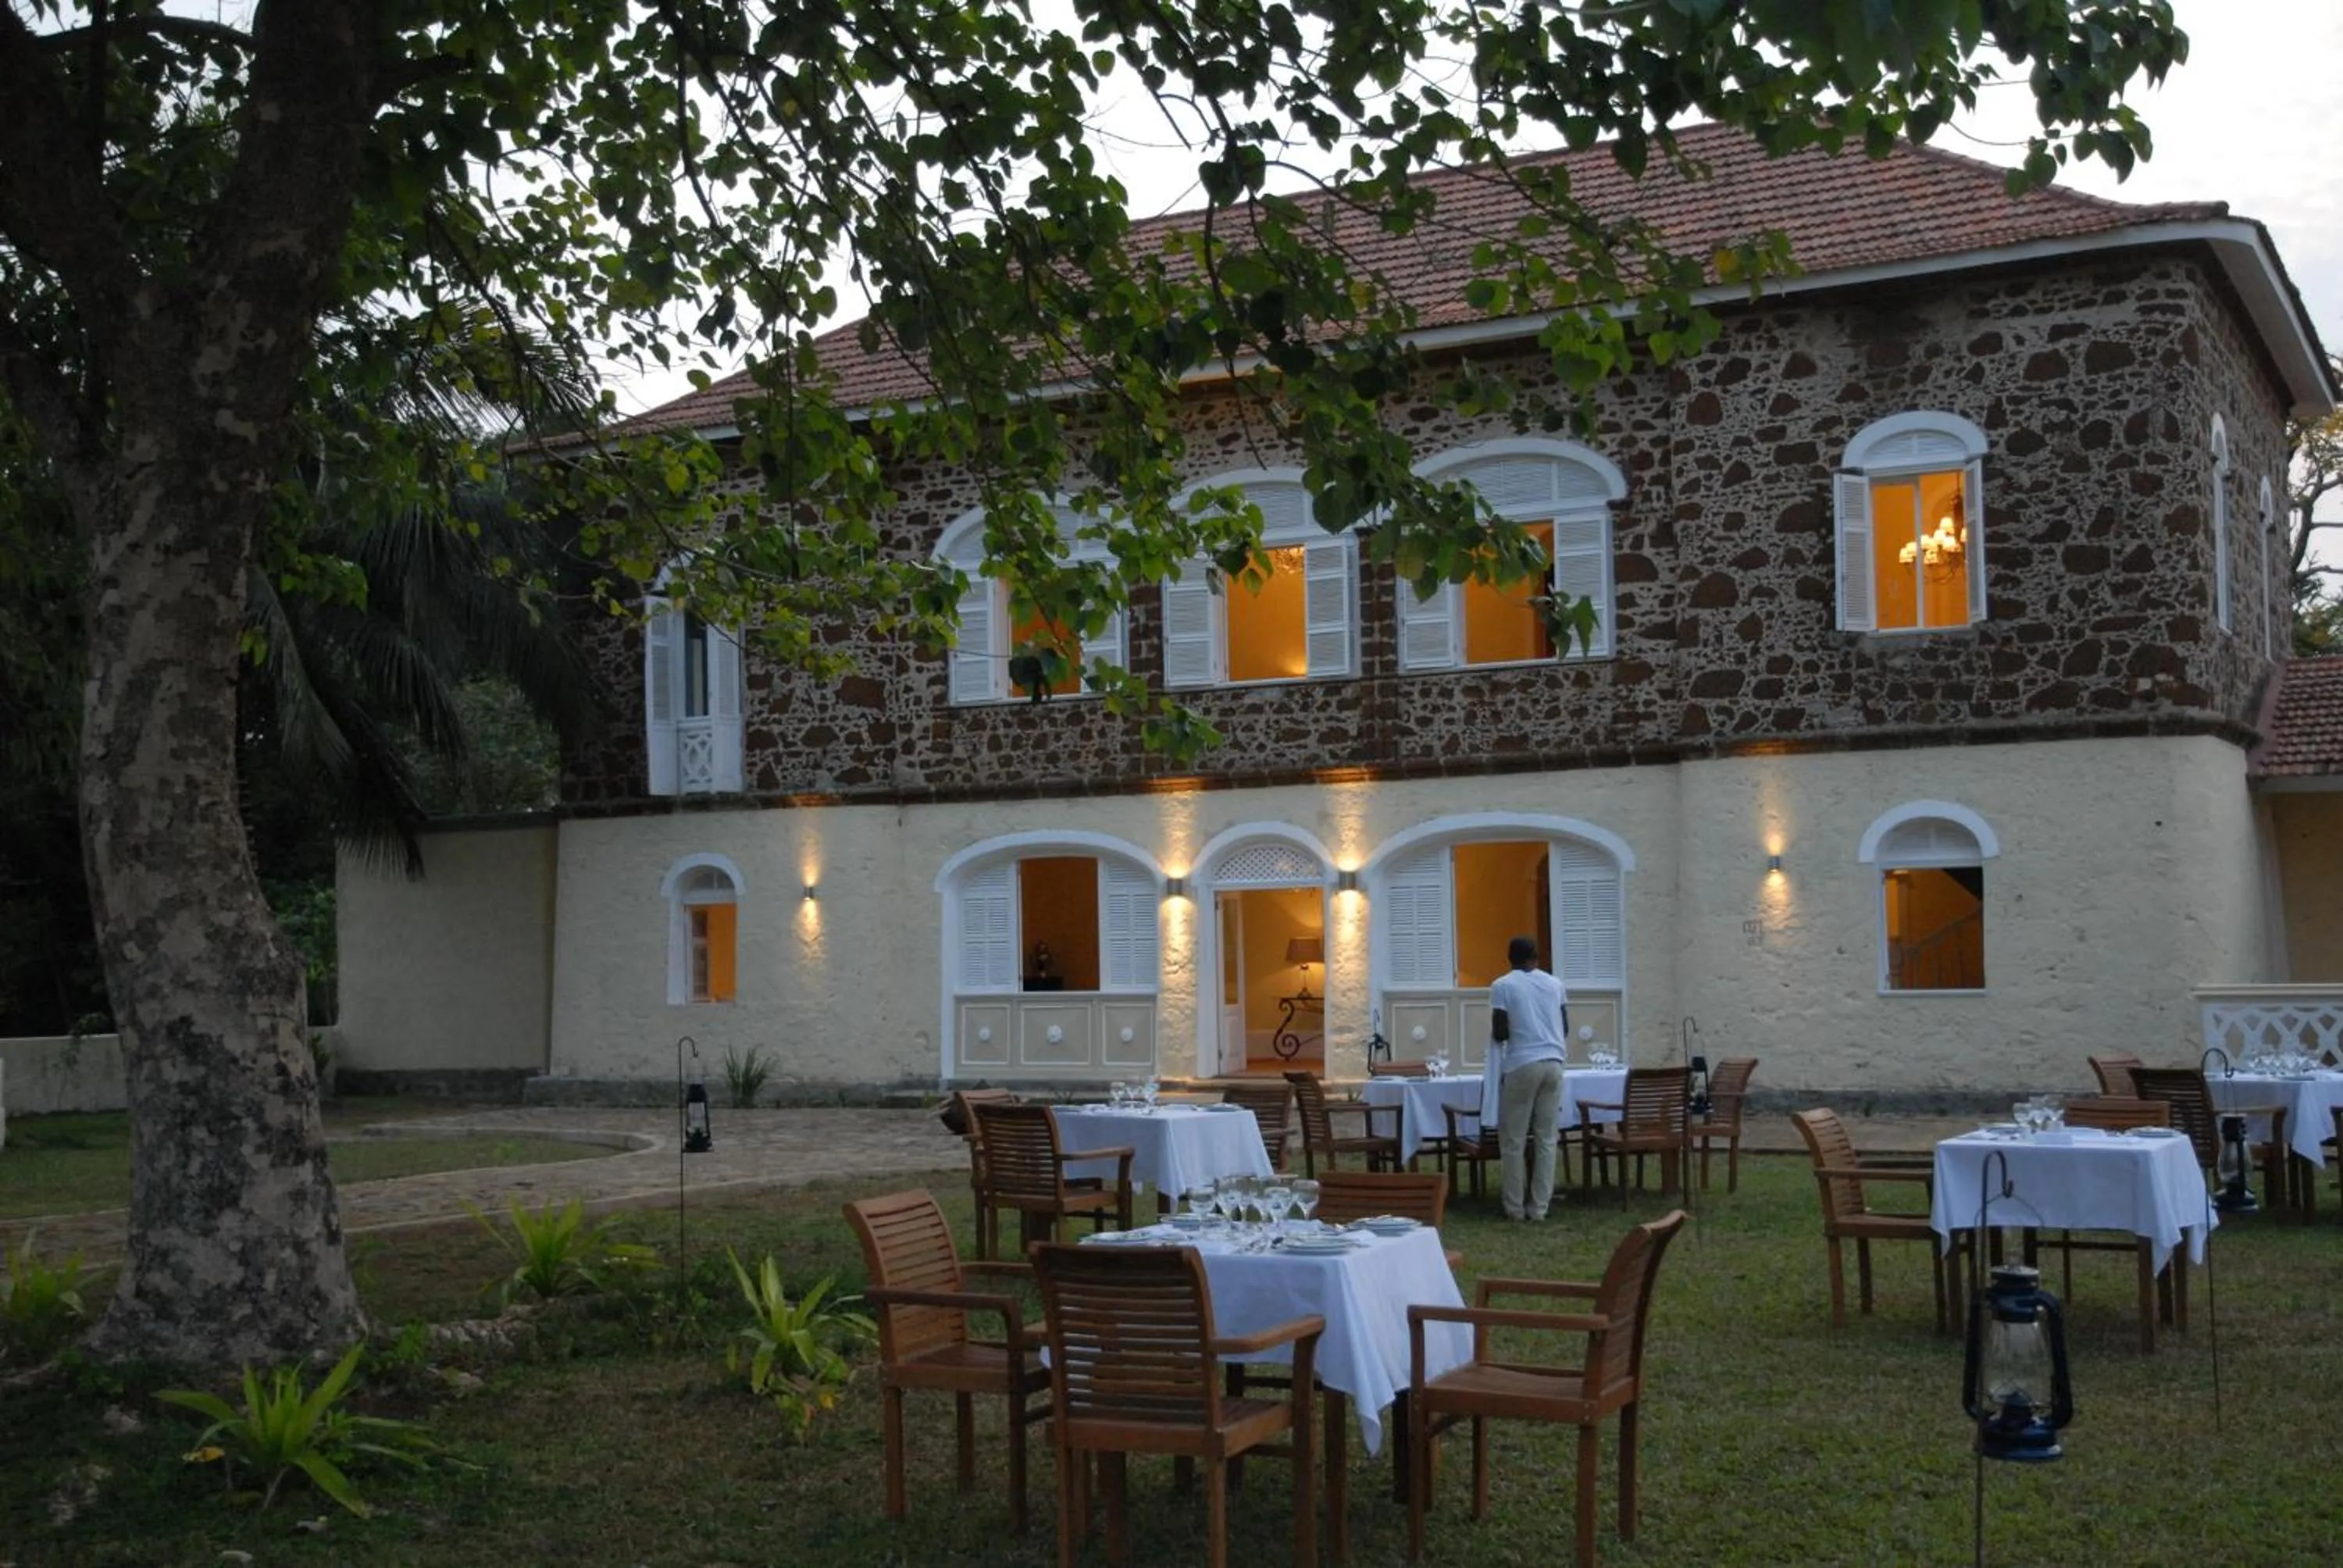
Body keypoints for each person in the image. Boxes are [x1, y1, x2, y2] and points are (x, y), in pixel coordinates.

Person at [1488, 934, 1570, 1222]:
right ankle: (1540, 1208)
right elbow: (1565, 1026)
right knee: (1547, 1138)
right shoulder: (1555, 984)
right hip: (1554, 1062)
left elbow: (1500, 1032)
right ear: (1536, 958)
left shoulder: (1503, 985)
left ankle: (1514, 1207)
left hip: (1523, 1063)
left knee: (1514, 1139)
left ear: (1509, 959)